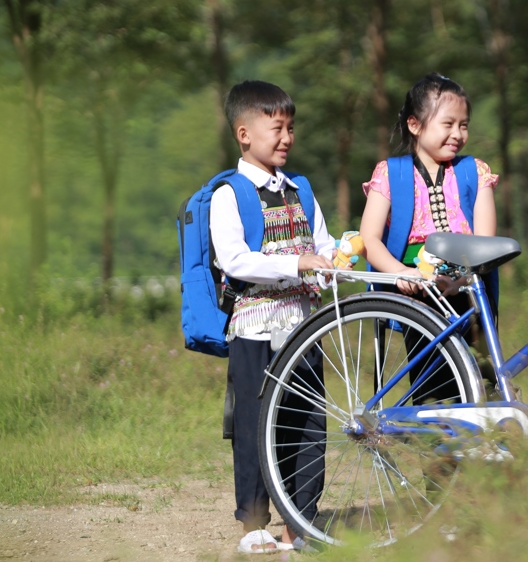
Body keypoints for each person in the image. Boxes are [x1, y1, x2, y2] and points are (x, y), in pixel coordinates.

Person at [210, 80, 336, 553]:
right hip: (256, 331)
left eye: (290, 128)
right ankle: (254, 525)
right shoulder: (230, 194)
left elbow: (321, 245)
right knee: (254, 425)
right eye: (276, 129)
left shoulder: (301, 189)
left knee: (308, 426)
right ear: (244, 134)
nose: (286, 138)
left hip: (304, 330)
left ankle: (299, 524)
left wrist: (332, 260)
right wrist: (297, 264)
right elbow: (235, 260)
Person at [359, 72, 500, 399]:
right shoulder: (390, 173)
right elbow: (369, 239)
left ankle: (478, 444)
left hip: (467, 288)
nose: (458, 133)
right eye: (447, 123)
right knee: (431, 382)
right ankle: (438, 445)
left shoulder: (475, 172)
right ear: (415, 125)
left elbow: (486, 245)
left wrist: (459, 278)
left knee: (481, 381)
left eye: (464, 125)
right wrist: (400, 273)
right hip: (416, 291)